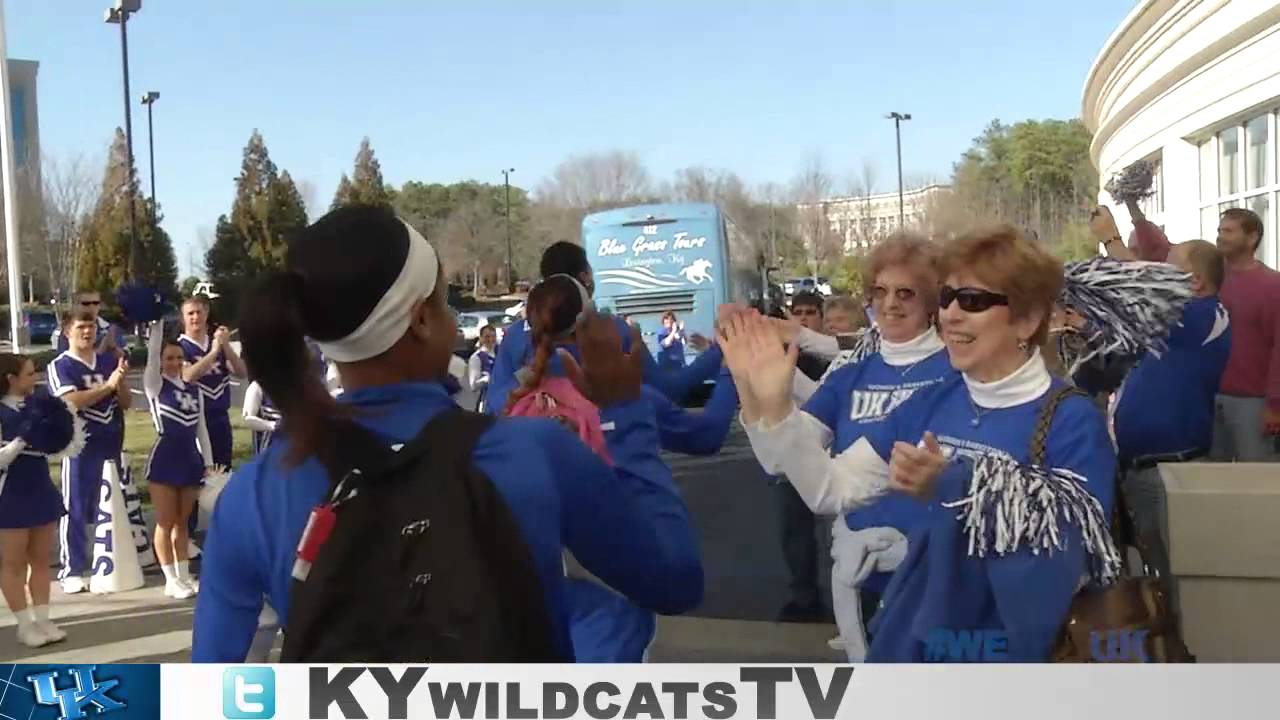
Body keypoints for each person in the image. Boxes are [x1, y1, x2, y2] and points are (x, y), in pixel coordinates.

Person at [191, 206, 702, 662]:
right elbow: (675, 582)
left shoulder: (252, 494)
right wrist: (625, 413)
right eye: (441, 299)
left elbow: (214, 685)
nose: (453, 317)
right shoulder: (532, 453)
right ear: (419, 320)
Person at [730, 225, 1119, 662]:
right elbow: (831, 489)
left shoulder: (1072, 420)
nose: (950, 315)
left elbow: (1072, 566)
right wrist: (773, 405)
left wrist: (961, 486)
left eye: (972, 301)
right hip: (919, 647)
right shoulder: (934, 399)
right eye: (948, 297)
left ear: (1027, 320)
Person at [773, 234, 957, 659]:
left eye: (905, 292)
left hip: (935, 570)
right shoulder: (850, 374)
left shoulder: (954, 368)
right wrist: (762, 397)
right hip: (861, 571)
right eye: (880, 291)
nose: (890, 303)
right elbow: (788, 453)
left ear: (931, 300)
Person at [1104, 240, 1229, 602]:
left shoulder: (1205, 316)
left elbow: (1141, 289)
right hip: (1143, 471)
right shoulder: (1175, 326)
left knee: (1182, 583)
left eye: (1168, 267)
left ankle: (1192, 651)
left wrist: (1113, 239)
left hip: (1174, 471)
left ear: (1196, 282)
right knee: (1157, 580)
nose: (1158, 272)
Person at [486, 241, 722, 416]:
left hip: (542, 470)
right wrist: (721, 352)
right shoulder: (613, 330)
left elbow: (494, 405)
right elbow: (669, 389)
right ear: (584, 277)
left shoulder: (515, 337)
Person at [48, 311, 131, 594]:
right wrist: (107, 386)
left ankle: (106, 561)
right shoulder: (61, 365)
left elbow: (127, 402)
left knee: (109, 505)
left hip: (111, 442)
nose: (87, 332)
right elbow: (70, 401)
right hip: (80, 446)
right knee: (75, 507)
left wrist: (120, 382)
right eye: (81, 327)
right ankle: (71, 568)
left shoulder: (108, 360)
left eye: (91, 327)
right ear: (67, 332)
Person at [0, 354, 69, 647]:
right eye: (29, 374)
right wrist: (23, 437)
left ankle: (43, 619)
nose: (35, 378)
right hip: (11, 493)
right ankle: (24, 624)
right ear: (11, 379)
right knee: (12, 563)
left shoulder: (37, 406)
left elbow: (54, 446)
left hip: (40, 486)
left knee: (41, 560)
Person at [141, 320, 212, 599]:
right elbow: (150, 358)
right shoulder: (155, 385)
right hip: (165, 457)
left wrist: (208, 464)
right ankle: (170, 579)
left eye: (179, 357)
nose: (174, 362)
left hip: (190, 458)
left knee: (183, 522)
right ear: (160, 361)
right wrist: (156, 327)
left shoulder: (196, 390)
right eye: (168, 358)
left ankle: (183, 575)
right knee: (165, 521)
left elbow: (202, 430)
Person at [1212, 208, 1280, 461]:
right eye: (1220, 230)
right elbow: (1160, 251)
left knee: (1256, 480)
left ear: (1252, 238)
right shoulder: (1211, 278)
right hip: (1208, 398)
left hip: (1253, 404)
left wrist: (1275, 405)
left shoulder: (1273, 286)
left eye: (1228, 231)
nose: (1220, 237)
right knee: (1209, 482)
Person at [178, 295, 247, 469]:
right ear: (183, 317)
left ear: (206, 313)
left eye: (199, 312)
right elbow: (187, 376)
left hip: (220, 418)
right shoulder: (181, 346)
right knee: (199, 472)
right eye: (190, 313)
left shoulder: (217, 343)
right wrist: (214, 353)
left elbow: (241, 372)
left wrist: (226, 347)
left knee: (222, 471)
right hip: (194, 420)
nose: (195, 317)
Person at [50, 290, 126, 355]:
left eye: (95, 303)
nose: (92, 307)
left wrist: (115, 349)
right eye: (86, 303)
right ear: (77, 306)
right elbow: (67, 359)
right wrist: (103, 346)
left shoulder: (111, 329)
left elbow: (123, 357)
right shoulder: (69, 331)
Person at [469, 325, 498, 412]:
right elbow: (473, 386)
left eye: (493, 336)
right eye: (487, 337)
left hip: (504, 397)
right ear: (481, 338)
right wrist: (487, 379)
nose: (491, 339)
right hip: (487, 401)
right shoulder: (477, 357)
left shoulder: (501, 352)